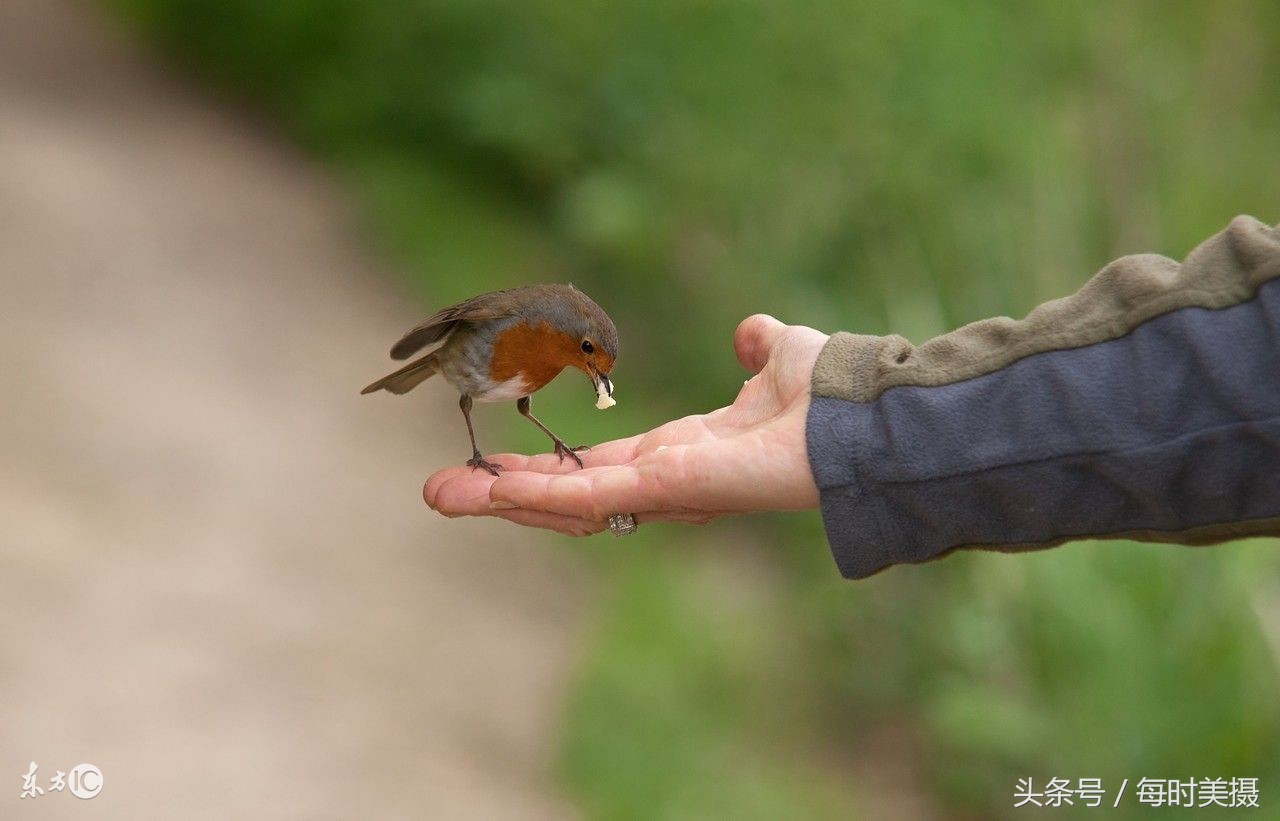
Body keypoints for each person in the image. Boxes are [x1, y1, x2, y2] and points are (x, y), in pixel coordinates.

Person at [424, 215, 1280, 578]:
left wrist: (865, 423)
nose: (596, 369)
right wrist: (865, 414)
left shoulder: (560, 347)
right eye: (592, 357)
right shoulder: (514, 324)